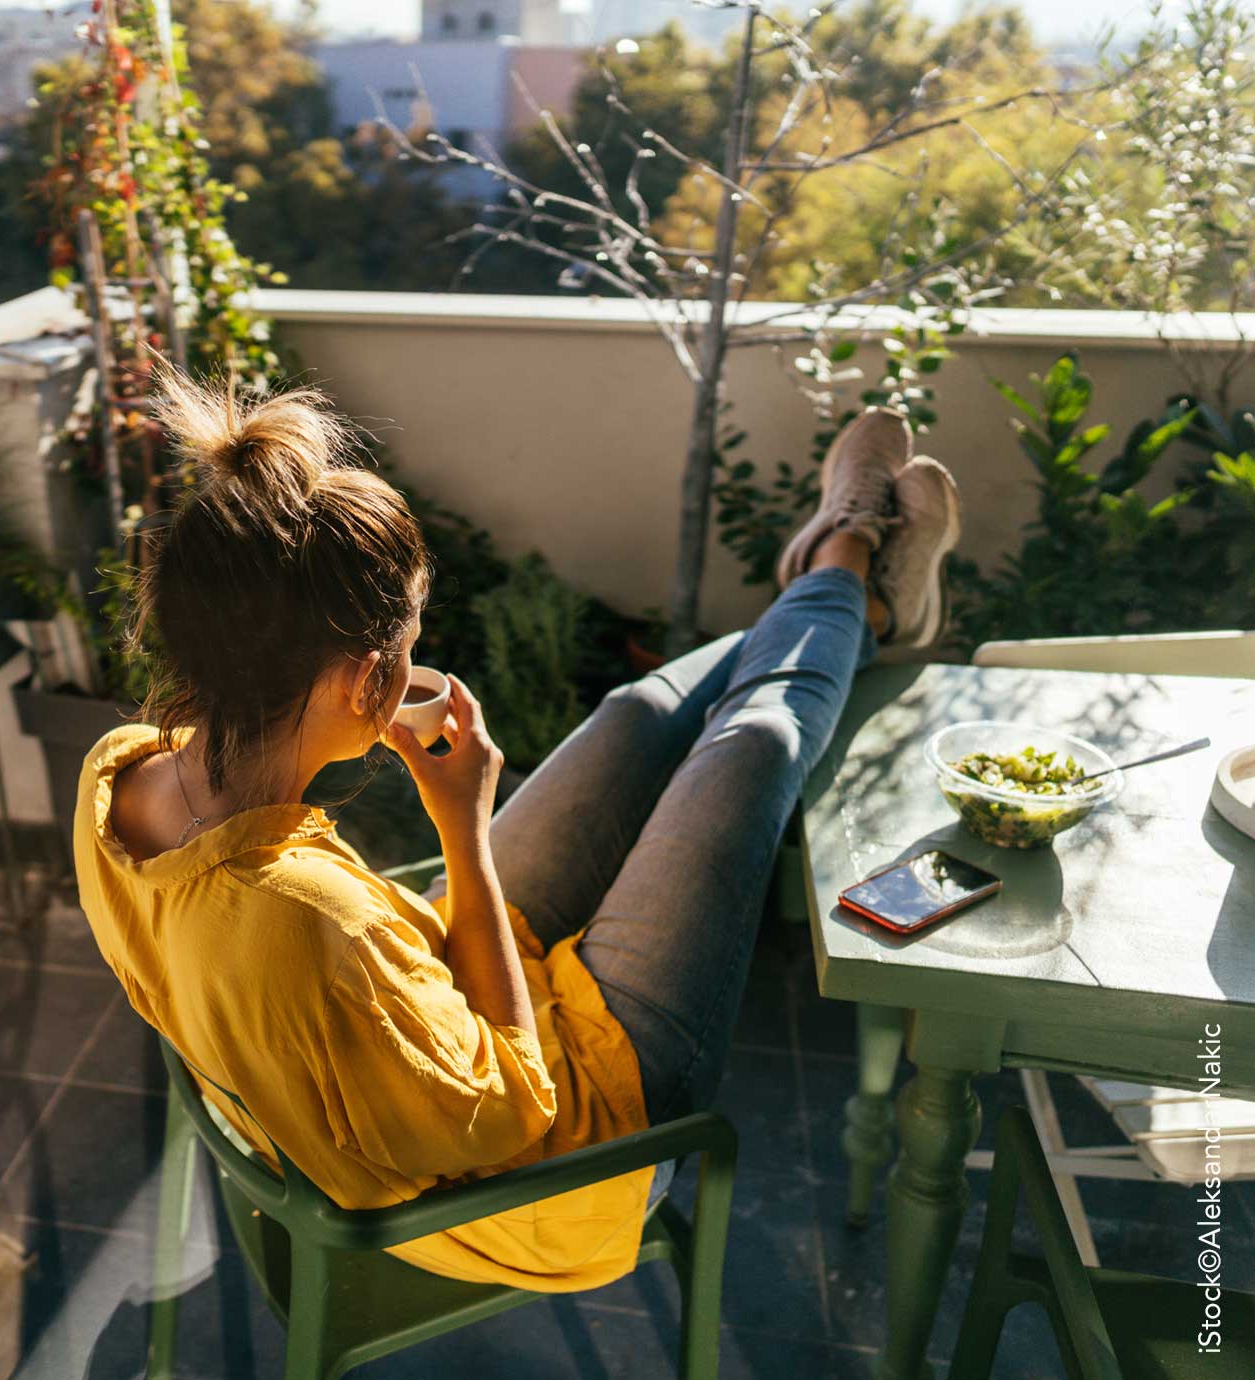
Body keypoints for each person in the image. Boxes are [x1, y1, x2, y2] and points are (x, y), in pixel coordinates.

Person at [76, 368, 961, 1292]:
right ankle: (854, 577)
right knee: (753, 747)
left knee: (631, 712)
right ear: (360, 683)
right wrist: (464, 826)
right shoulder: (313, 917)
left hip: (411, 1018)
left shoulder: (121, 772)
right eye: (407, 645)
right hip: (560, 1165)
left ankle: (834, 582)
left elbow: (347, 968)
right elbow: (515, 1109)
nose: (414, 663)